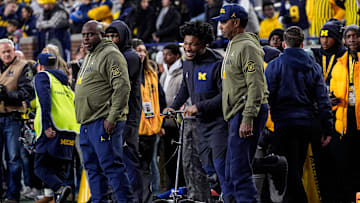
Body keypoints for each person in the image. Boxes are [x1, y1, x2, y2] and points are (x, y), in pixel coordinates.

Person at [265, 26, 333, 203]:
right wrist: (328, 128)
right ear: (303, 43)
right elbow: (323, 99)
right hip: (306, 125)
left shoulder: (274, 66)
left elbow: (266, 97)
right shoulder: (314, 67)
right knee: (296, 168)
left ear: (283, 43)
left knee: (287, 171)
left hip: (282, 124)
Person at [164, 21, 227, 202]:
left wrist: (199, 107)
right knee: (200, 168)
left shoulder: (217, 63)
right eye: (185, 44)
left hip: (218, 125)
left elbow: (225, 97)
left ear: (203, 43)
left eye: (192, 44)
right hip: (198, 125)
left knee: (220, 168)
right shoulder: (187, 63)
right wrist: (173, 107)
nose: (188, 48)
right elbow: (185, 88)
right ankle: (205, 199)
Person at [212, 4, 269, 202]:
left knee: (239, 171)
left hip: (245, 111)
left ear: (236, 23)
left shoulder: (247, 46)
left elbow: (256, 85)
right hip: (236, 112)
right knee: (229, 172)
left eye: (223, 22)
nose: (220, 26)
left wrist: (247, 117)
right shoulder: (233, 44)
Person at [75, 20, 134, 203]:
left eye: (91, 34)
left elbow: (122, 87)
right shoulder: (90, 55)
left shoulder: (110, 54)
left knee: (111, 167)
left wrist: (112, 117)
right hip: (87, 122)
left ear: (102, 35)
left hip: (103, 120)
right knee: (92, 168)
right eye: (84, 35)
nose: (86, 38)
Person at [104, 20, 143, 202]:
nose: (112, 40)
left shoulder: (131, 57)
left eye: (115, 36)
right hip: (117, 115)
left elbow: (117, 83)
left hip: (129, 116)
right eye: (109, 36)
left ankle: (134, 198)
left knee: (129, 160)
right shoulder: (113, 56)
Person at [33, 53, 79, 203]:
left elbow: (45, 101)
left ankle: (59, 188)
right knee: (58, 171)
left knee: (40, 167)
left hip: (53, 128)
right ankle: (59, 193)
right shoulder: (64, 82)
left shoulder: (42, 76)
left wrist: (46, 126)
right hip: (70, 129)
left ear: (40, 66)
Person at [132, 38, 166, 203]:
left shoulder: (151, 73)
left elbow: (160, 99)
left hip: (152, 129)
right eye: (138, 50)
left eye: (144, 50)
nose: (142, 53)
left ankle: (154, 197)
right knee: (135, 169)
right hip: (133, 130)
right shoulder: (127, 73)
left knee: (151, 166)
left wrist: (161, 123)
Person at [0, 38, 33, 203]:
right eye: (4, 52)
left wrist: (6, 96)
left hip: (12, 117)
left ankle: (14, 195)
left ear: (14, 50)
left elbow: (26, 92)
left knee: (13, 158)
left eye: (9, 51)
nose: (7, 54)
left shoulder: (23, 66)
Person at [329, 24, 360, 203]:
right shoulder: (339, 64)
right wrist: (333, 101)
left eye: (355, 36)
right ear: (344, 40)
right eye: (349, 37)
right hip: (345, 122)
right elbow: (334, 90)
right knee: (347, 165)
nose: (352, 40)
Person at [159, 43, 185, 190]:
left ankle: (180, 188)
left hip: (177, 124)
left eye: (168, 54)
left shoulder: (181, 74)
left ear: (176, 56)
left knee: (178, 161)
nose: (165, 56)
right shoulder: (164, 74)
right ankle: (170, 188)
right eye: (164, 54)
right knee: (168, 160)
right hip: (165, 124)